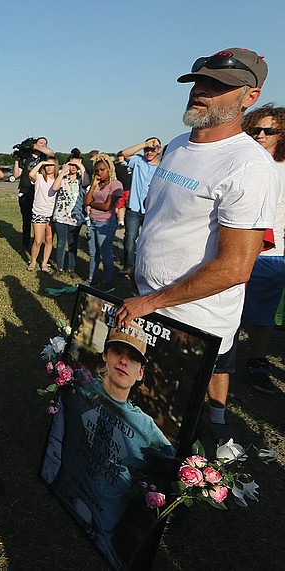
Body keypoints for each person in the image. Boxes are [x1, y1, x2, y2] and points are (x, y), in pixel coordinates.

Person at [116, 48, 280, 444]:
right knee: (138, 413)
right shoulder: (177, 145)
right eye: (199, 82)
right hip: (150, 304)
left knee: (170, 431)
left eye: (219, 86)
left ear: (249, 97)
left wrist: (151, 301)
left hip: (194, 322)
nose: (202, 92)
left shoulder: (248, 165)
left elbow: (234, 268)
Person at [43, 323, 175, 570]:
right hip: (62, 493)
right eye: (118, 351)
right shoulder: (77, 389)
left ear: (140, 372)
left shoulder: (145, 427)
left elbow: (177, 469)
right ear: (105, 355)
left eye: (133, 357)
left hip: (101, 533)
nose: (124, 361)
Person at [239, 103, 285, 394]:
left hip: (271, 254)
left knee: (262, 317)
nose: (260, 135)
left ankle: (257, 360)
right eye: (255, 129)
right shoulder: (243, 162)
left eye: (269, 130)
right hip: (234, 249)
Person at [118, 137, 162, 275]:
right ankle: (129, 265)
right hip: (134, 207)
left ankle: (146, 266)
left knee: (150, 240)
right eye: (147, 150)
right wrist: (145, 143)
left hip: (152, 209)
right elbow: (124, 154)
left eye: (152, 149)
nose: (149, 152)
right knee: (130, 237)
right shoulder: (138, 161)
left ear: (158, 150)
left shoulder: (162, 166)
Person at [83, 153, 123, 292]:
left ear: (109, 169)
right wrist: (93, 186)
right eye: (97, 170)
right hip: (92, 221)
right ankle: (91, 279)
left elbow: (107, 206)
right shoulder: (97, 184)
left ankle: (108, 282)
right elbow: (85, 201)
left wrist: (92, 204)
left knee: (105, 253)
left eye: (102, 170)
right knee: (93, 253)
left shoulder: (116, 184)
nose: (99, 173)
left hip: (105, 223)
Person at [15, 137, 55, 251]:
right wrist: (17, 159)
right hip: (26, 189)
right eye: (40, 142)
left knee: (41, 219)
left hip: (40, 191)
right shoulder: (26, 157)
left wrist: (33, 146)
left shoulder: (45, 157)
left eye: (45, 143)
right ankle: (26, 243)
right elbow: (17, 174)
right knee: (26, 219)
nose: (43, 145)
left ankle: (39, 243)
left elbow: (50, 152)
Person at [50, 159, 87, 277]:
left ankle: (71, 268)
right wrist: (63, 171)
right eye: (71, 165)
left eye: (76, 165)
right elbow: (54, 188)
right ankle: (60, 267)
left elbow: (86, 182)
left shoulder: (80, 180)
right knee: (61, 242)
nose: (73, 167)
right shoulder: (63, 178)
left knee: (73, 243)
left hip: (75, 216)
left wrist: (80, 165)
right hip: (60, 215)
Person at [27, 158, 59, 272]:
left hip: (51, 213)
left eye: (52, 165)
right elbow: (31, 174)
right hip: (39, 212)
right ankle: (33, 261)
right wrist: (41, 163)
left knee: (49, 239)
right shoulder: (39, 177)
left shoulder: (57, 179)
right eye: (47, 165)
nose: (49, 167)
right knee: (38, 240)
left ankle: (44, 263)